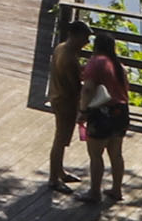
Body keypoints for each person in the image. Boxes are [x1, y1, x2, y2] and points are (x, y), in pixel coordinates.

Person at [76, 29, 134, 204]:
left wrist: (83, 110)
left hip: (103, 113)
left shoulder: (96, 63)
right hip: (121, 112)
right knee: (116, 154)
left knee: (96, 155)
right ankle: (116, 190)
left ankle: (95, 193)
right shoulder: (118, 65)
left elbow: (88, 89)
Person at [45, 11, 91, 189]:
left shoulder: (61, 47)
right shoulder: (70, 58)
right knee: (60, 140)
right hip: (65, 102)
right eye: (85, 38)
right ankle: (53, 179)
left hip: (56, 96)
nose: (87, 42)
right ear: (76, 36)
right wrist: (83, 108)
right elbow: (76, 87)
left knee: (61, 139)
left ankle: (60, 172)